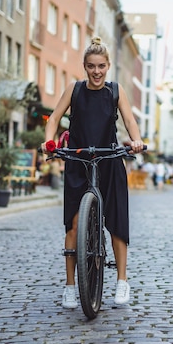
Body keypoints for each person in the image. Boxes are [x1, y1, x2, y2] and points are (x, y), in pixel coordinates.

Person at [41, 36, 144, 309]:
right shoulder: (74, 90)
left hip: (110, 159)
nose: (96, 71)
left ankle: (122, 281)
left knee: (117, 223)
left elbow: (130, 121)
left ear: (108, 66)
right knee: (74, 225)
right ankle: (70, 286)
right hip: (78, 160)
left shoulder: (115, 91)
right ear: (84, 67)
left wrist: (136, 141)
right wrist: (48, 142)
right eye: (90, 66)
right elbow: (53, 120)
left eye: (101, 66)